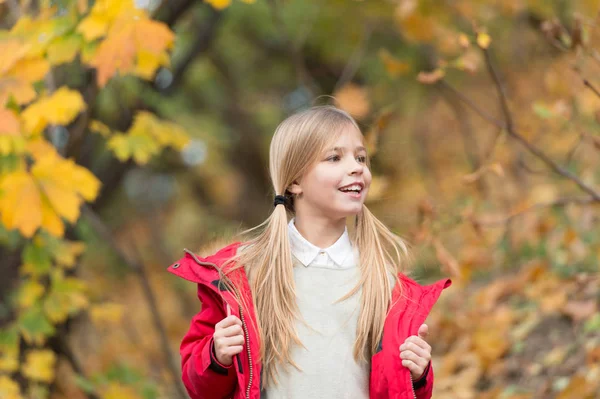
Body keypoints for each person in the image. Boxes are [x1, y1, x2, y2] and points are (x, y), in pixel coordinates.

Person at [167, 105, 452, 399]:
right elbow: (199, 387)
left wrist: (417, 375)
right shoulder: (244, 276)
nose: (356, 167)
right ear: (294, 181)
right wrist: (217, 353)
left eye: (361, 158)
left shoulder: (386, 284)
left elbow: (397, 388)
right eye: (334, 157)